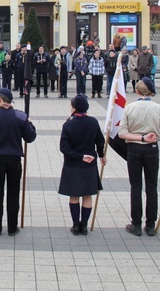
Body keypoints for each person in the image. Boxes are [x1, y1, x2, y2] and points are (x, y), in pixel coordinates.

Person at [118, 77, 160, 236]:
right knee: (152, 187)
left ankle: (136, 224)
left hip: (134, 148)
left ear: (137, 90)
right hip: (152, 148)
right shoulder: (159, 108)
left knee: (136, 186)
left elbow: (122, 133)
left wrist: (140, 137)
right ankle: (151, 224)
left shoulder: (129, 108)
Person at [0, 88, 37, 236]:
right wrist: (31, 125)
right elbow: (30, 137)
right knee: (13, 193)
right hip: (14, 160)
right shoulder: (20, 116)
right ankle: (12, 227)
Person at [58, 94, 105, 236]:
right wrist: (102, 156)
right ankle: (84, 225)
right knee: (87, 195)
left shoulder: (68, 124)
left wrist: (79, 156)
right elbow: (100, 142)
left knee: (74, 196)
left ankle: (75, 225)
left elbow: (64, 148)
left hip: (73, 164)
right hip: (89, 164)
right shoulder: (93, 122)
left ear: (74, 107)